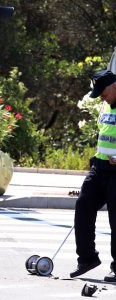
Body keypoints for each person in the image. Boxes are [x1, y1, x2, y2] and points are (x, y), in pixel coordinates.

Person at [70, 69, 116, 282]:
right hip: (99, 168)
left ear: (115, 86)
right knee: (83, 206)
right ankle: (87, 259)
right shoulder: (105, 105)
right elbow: (103, 134)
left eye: (103, 91)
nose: (101, 97)